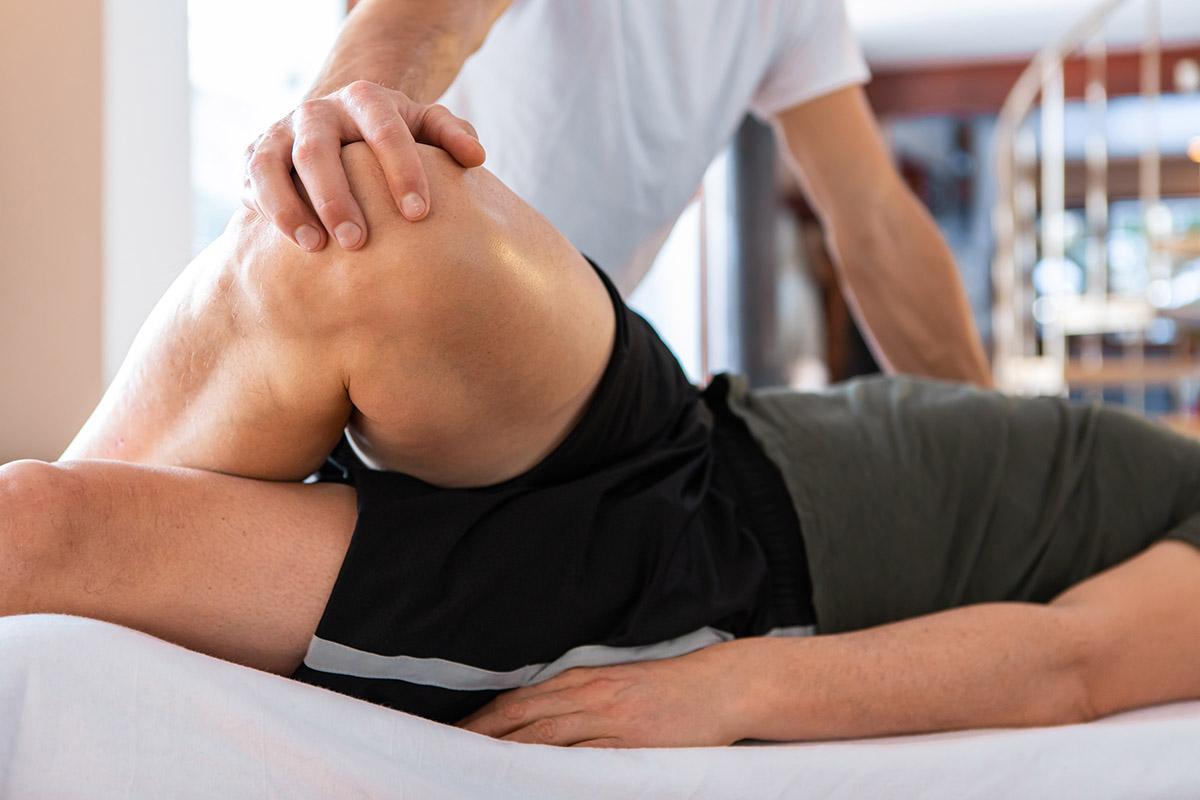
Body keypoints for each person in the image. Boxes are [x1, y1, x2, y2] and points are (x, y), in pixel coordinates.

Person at [4, 144, 1200, 749]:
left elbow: (1072, 664)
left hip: (693, 571)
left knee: (38, 532)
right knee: (366, 210)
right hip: (698, 433)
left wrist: (732, 689)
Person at [241, 0, 993, 385]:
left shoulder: (794, 10)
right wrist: (353, 99)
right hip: (397, 297)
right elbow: (429, 16)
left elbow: (877, 223)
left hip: (557, 358)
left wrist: (1008, 446)